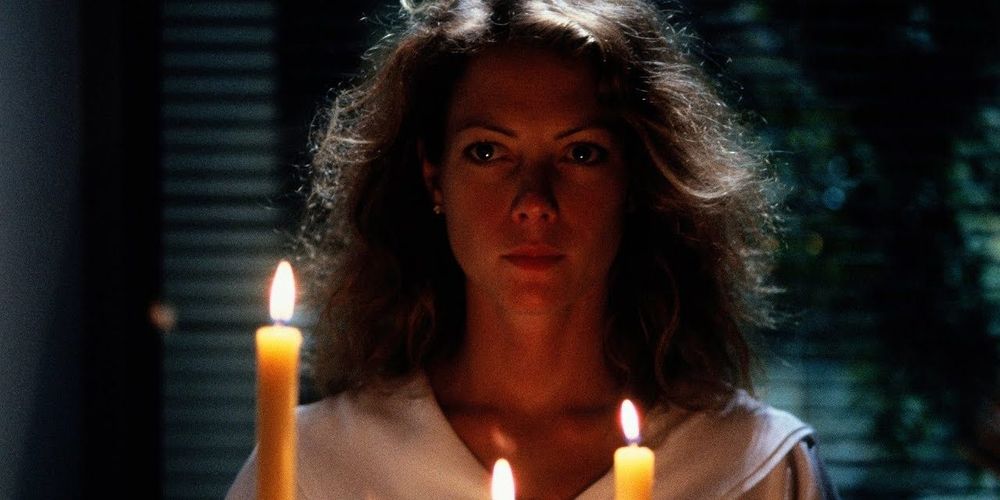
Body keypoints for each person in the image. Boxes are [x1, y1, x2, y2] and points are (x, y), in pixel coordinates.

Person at [228, 0, 840, 498]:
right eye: (488, 152)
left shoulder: (753, 467)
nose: (534, 202)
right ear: (435, 178)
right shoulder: (317, 463)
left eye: (581, 153)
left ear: (635, 182)